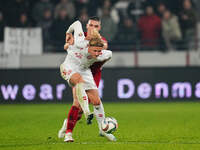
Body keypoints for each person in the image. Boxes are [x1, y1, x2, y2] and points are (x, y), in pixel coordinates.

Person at [58, 16, 116, 142]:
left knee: (96, 101)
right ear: (87, 26)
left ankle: (102, 129)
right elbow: (69, 42)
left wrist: (98, 44)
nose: (93, 28)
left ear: (100, 28)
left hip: (91, 73)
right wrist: (68, 39)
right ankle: (68, 131)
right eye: (91, 25)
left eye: (96, 26)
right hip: (74, 69)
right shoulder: (79, 38)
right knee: (77, 105)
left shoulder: (101, 42)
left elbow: (105, 48)